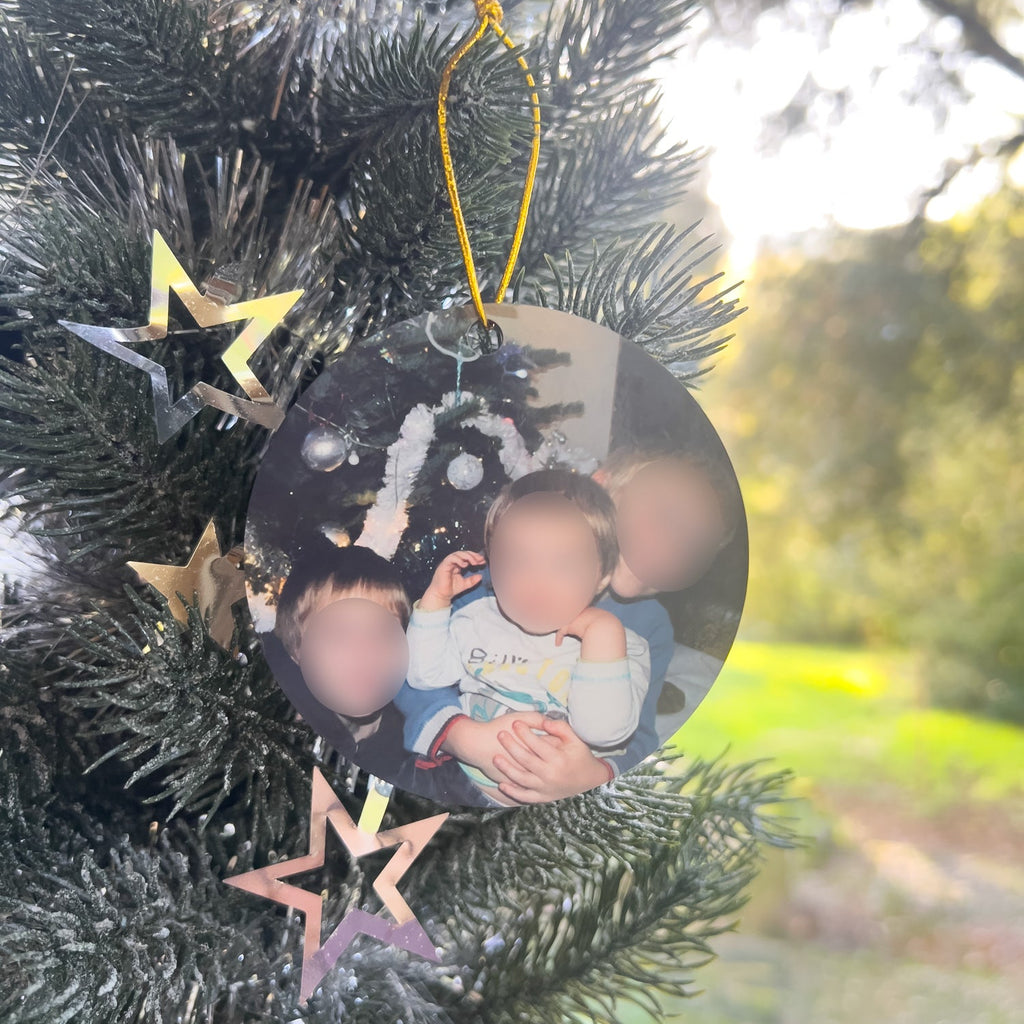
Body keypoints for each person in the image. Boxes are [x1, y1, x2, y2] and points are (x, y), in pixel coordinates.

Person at [394, 445, 741, 804]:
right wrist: (458, 735)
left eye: (691, 544)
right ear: (602, 487)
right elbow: (413, 667)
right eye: (663, 516)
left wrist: (594, 777)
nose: (669, 547)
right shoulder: (495, 579)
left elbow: (640, 736)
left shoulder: (651, 627)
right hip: (457, 776)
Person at [404, 468, 651, 806]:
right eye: (518, 562)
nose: (537, 584)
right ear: (492, 566)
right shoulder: (476, 618)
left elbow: (603, 733)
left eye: (563, 565)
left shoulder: (620, 648)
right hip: (455, 781)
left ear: (601, 577)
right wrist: (434, 604)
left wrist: (602, 633)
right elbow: (424, 675)